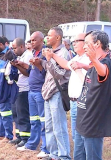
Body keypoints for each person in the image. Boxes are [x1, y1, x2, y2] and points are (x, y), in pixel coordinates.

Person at [73, 30, 111, 160]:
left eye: (87, 43)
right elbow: (94, 73)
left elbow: (102, 72)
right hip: (83, 121)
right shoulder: (94, 64)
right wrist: (83, 65)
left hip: (93, 123)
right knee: (79, 156)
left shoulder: (106, 63)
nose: (84, 46)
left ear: (97, 44)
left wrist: (92, 59)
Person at [45, 33, 90, 144]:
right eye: (73, 41)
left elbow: (61, 73)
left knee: (84, 137)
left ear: (86, 42)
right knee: (76, 137)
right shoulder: (76, 57)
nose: (73, 43)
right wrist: (53, 56)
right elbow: (66, 64)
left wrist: (81, 66)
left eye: (76, 41)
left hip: (83, 102)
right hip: (74, 102)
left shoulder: (88, 59)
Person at [16, 31, 49, 159]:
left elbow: (46, 71)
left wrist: (38, 64)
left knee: (43, 121)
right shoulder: (33, 53)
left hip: (41, 92)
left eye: (34, 40)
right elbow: (30, 72)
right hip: (31, 91)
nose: (31, 43)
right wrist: (20, 65)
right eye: (30, 40)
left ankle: (45, 148)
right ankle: (31, 144)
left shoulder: (45, 54)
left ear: (41, 41)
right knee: (34, 120)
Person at [41, 27, 71, 160]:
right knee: (49, 126)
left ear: (57, 38)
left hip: (57, 92)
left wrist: (49, 59)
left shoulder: (63, 53)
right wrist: (41, 61)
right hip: (48, 93)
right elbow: (49, 72)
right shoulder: (52, 52)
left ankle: (64, 156)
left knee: (59, 127)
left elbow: (59, 75)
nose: (46, 38)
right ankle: (54, 155)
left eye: (49, 35)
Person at [9, 38, 33, 147]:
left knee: (23, 114)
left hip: (25, 89)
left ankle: (25, 138)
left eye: (15, 48)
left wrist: (17, 65)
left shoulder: (28, 56)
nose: (14, 50)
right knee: (16, 114)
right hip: (18, 88)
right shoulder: (20, 56)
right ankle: (19, 136)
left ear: (21, 46)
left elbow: (28, 73)